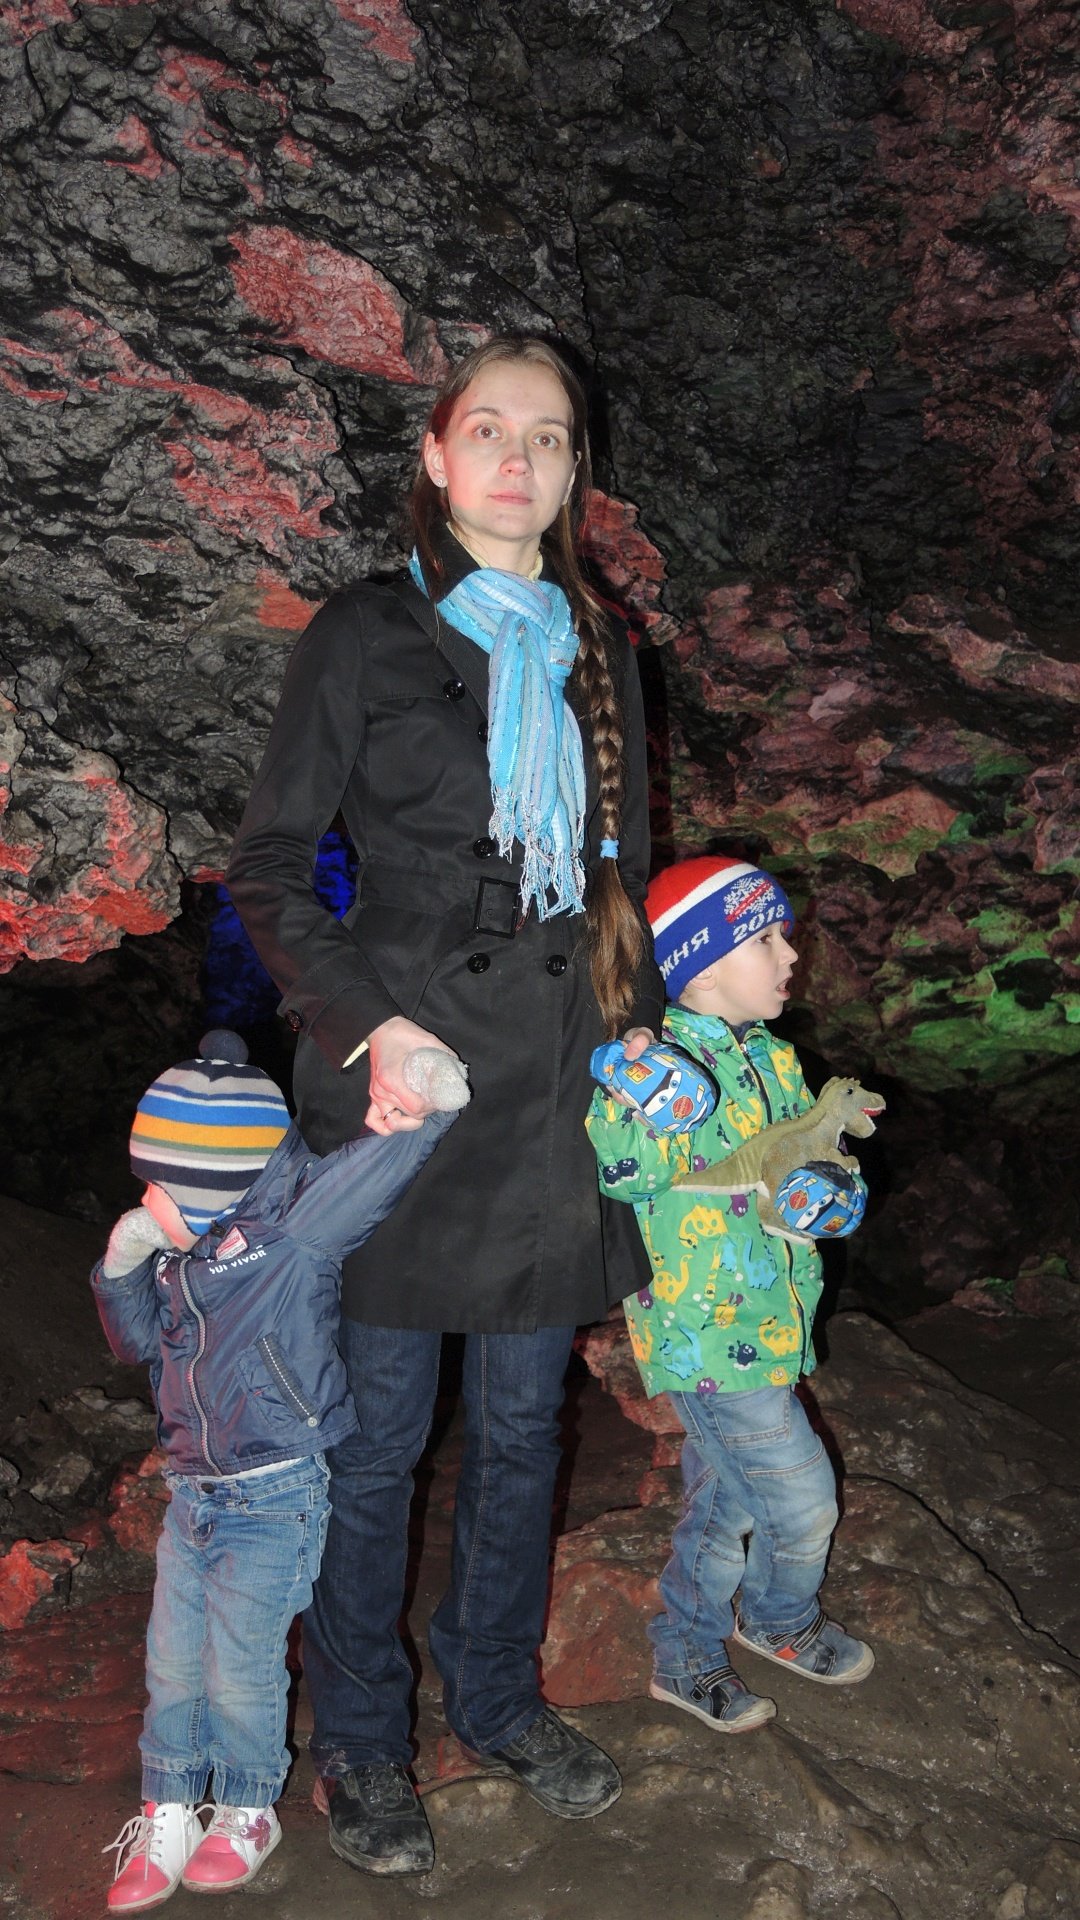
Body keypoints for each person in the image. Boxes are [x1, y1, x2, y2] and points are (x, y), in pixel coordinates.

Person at [225, 335, 665, 1875]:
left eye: (548, 436)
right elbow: (270, 869)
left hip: (551, 1091)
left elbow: (618, 888)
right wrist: (373, 1030)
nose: (517, 459)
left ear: (573, 469)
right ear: (435, 454)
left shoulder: (599, 648)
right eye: (489, 429)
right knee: (376, 1441)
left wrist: (644, 1064)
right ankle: (361, 1740)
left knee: (527, 1427)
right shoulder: (366, 631)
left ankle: (496, 1698)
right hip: (407, 1088)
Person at [93, 1030, 458, 1912]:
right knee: (172, 1662)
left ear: (218, 1185)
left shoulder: (292, 1233)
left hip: (273, 1492)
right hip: (191, 1491)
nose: (148, 1198)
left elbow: (372, 1174)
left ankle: (247, 1809)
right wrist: (121, 1266)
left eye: (163, 1185)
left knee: (239, 1666)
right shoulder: (176, 1261)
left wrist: (430, 1106)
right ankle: (168, 1807)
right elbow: (134, 1343)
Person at [586, 854, 875, 1737]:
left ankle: (683, 1656)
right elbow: (623, 1172)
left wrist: (834, 1195)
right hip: (707, 1332)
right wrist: (640, 1098)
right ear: (702, 966)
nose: (791, 954)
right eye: (767, 939)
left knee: (726, 1502)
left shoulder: (776, 1059)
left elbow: (811, 1165)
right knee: (803, 1503)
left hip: (771, 1320)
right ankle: (781, 1619)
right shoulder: (658, 1056)